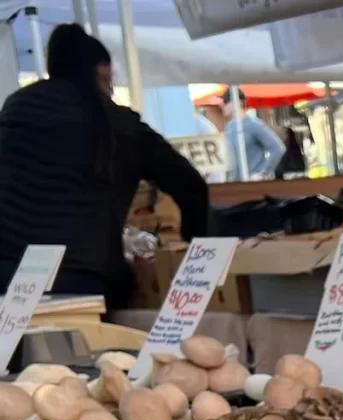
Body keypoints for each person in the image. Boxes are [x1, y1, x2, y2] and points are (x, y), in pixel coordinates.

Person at [0, 24, 208, 311]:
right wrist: (197, 246)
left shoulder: (15, 110)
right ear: (100, 70)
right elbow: (191, 185)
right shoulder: (118, 124)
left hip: (10, 278)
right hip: (84, 281)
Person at [222, 89, 286, 180]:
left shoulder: (253, 124)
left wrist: (263, 172)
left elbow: (277, 148)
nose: (222, 105)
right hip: (237, 183)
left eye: (225, 102)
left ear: (237, 102)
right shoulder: (229, 127)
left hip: (254, 182)